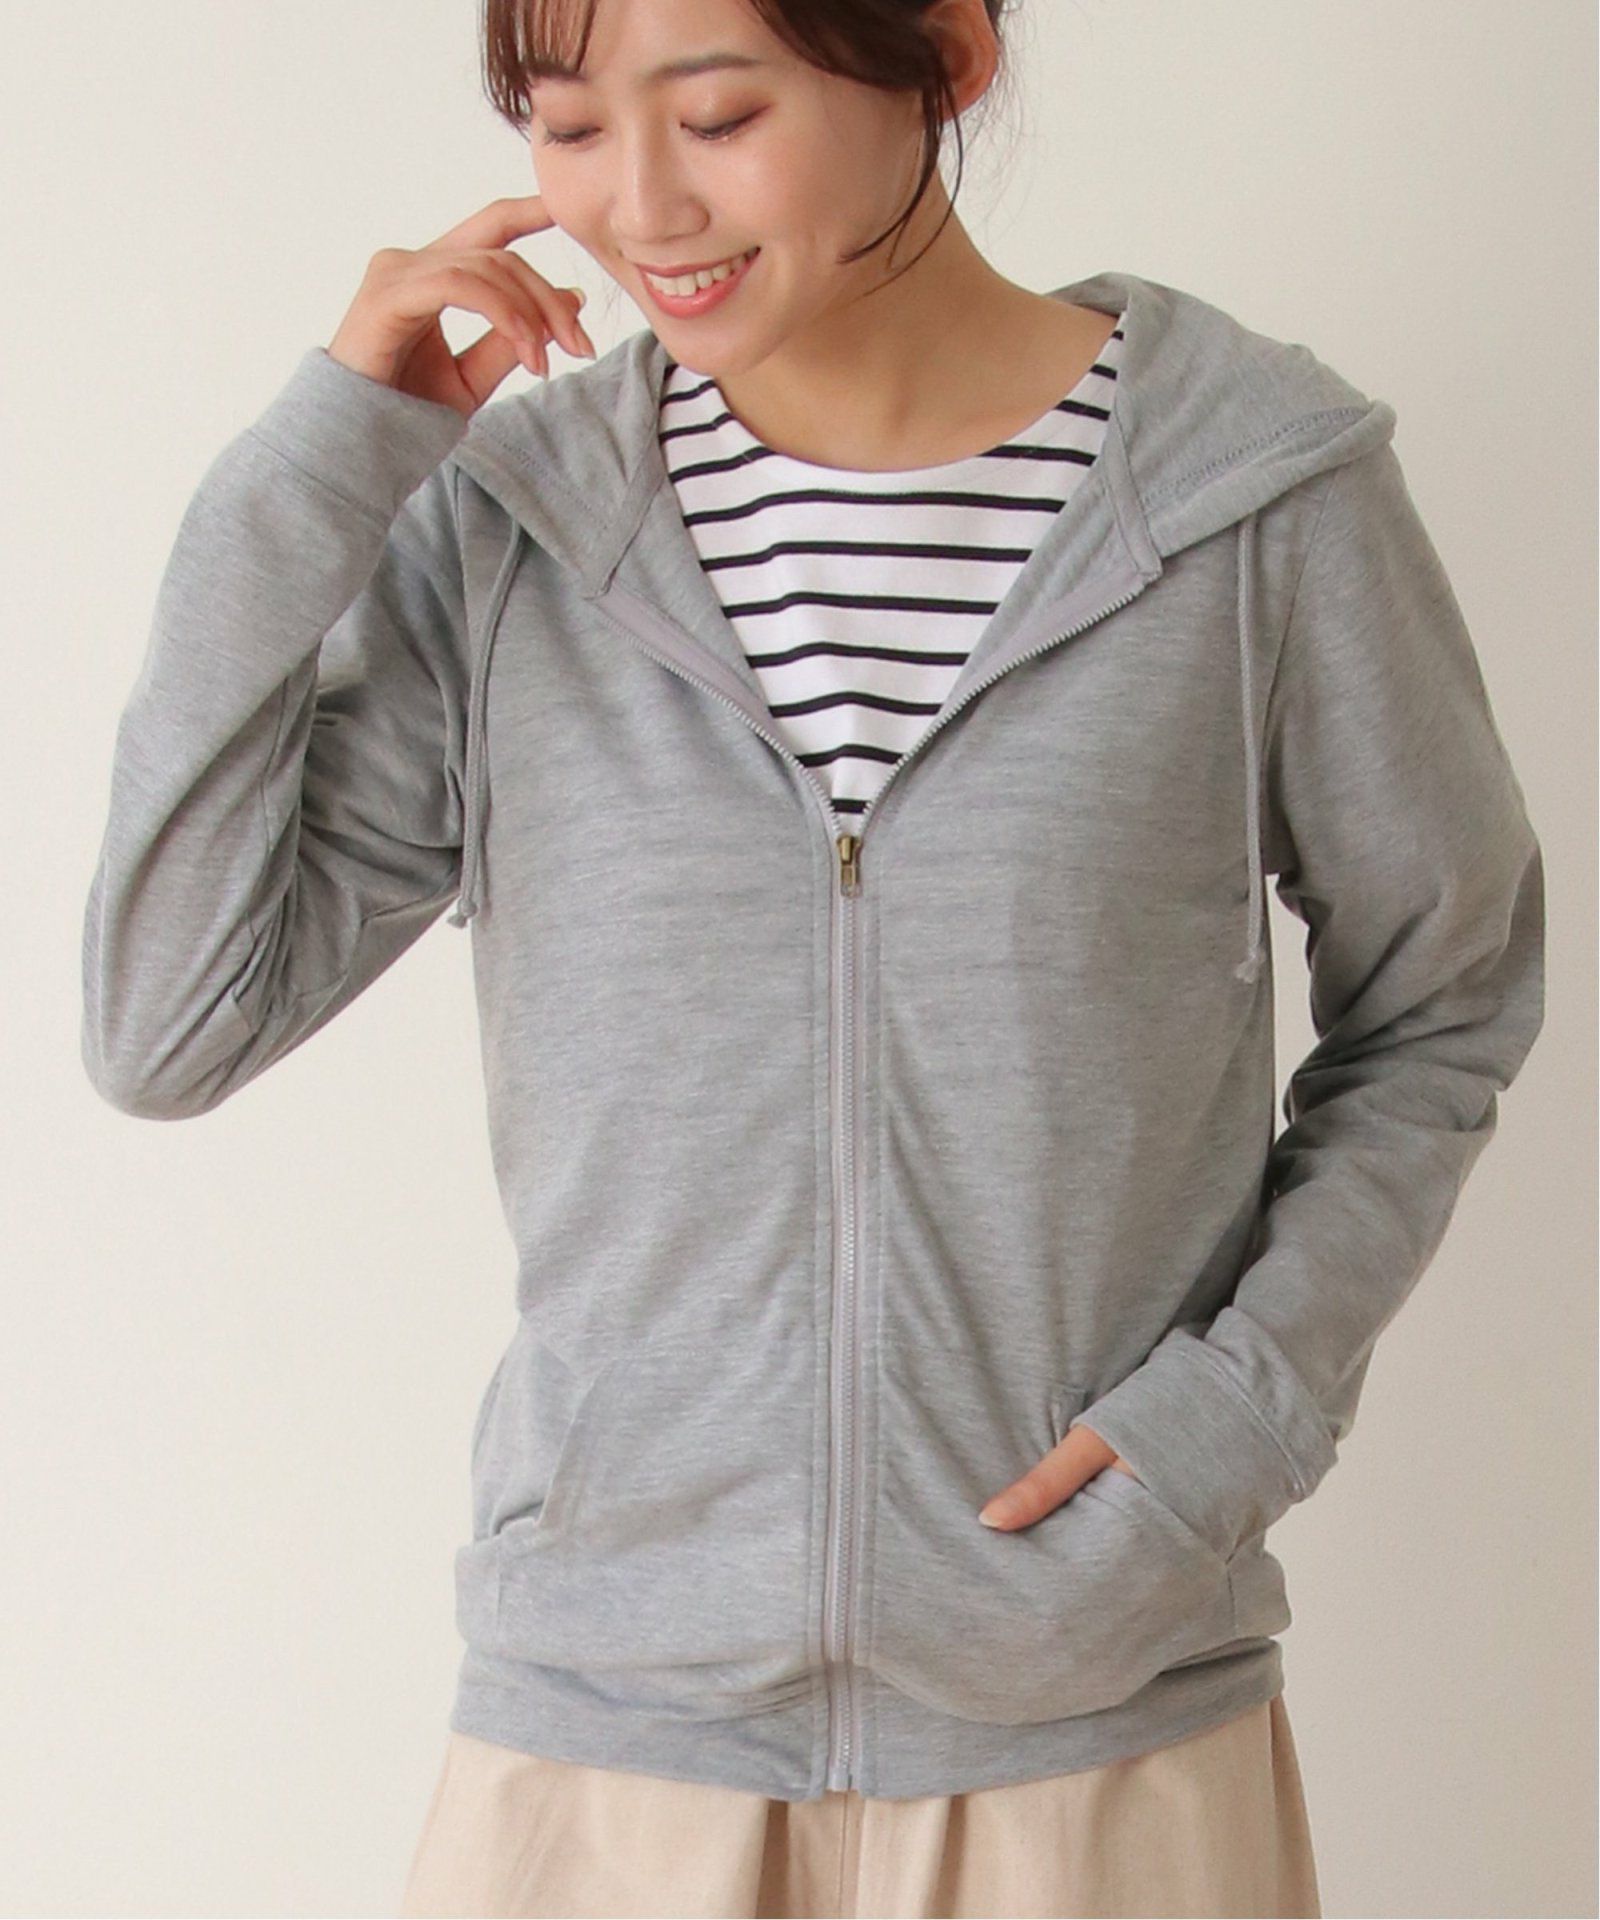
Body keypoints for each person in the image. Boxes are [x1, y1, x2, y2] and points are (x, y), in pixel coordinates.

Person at [78, 0, 1546, 1914]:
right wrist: (319, 469)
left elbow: (1445, 1000)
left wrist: (1230, 1419)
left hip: (1093, 1736)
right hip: (608, 1753)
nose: (639, 206)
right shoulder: (520, 536)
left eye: (715, 113)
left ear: (945, 53)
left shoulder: (1257, 500)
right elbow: (169, 1018)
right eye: (568, 125)